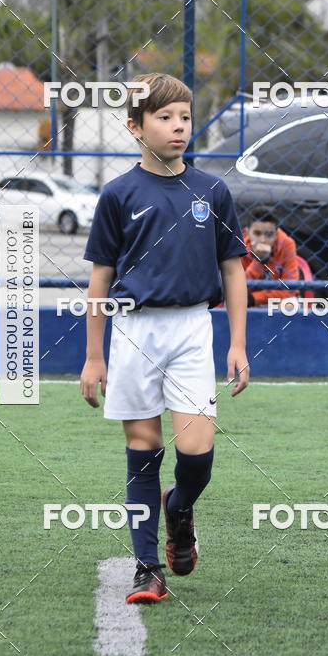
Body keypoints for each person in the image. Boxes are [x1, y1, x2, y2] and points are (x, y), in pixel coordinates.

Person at [79, 72, 250, 605]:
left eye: (185, 117)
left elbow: (234, 271)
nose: (179, 127)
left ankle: (179, 510)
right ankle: (147, 567)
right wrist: (92, 356)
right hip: (132, 332)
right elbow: (100, 281)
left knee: (197, 451)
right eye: (164, 117)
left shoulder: (212, 190)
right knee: (143, 446)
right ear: (136, 127)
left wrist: (237, 343)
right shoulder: (118, 193)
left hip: (194, 329)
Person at [241, 207, 301, 306]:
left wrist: (255, 298)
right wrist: (258, 262)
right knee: (232, 302)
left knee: (290, 304)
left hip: (274, 300)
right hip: (247, 300)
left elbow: (290, 289)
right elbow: (237, 288)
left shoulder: (287, 244)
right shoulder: (240, 245)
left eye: (269, 234)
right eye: (257, 233)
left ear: (276, 234)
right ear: (248, 231)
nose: (263, 240)